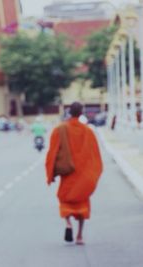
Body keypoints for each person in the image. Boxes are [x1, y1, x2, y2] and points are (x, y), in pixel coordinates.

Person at [45, 102, 103, 245]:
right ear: (81, 112)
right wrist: (93, 174)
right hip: (83, 174)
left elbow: (52, 152)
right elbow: (96, 156)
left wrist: (50, 173)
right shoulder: (88, 132)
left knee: (65, 199)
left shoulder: (60, 129)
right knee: (82, 204)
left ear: (69, 112)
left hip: (68, 174)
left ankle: (68, 223)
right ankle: (79, 236)